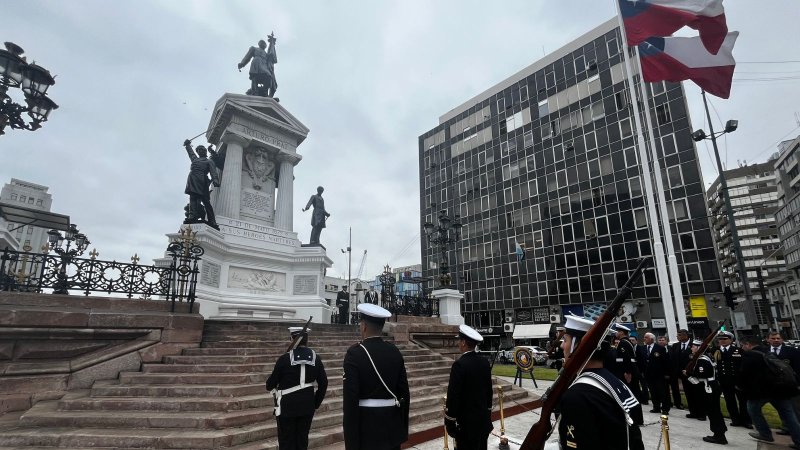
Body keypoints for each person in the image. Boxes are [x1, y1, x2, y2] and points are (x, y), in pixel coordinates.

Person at [558, 314, 645, 450]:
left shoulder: (577, 395)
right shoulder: (612, 381)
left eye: (565, 340)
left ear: (578, 346)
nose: (562, 346)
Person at [342, 304, 409, 450]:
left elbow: (350, 401)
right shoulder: (394, 352)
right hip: (392, 428)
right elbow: (404, 393)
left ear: (364, 326)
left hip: (366, 430)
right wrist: (402, 428)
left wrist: (351, 443)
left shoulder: (354, 354)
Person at [265, 327, 328, 450]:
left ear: (292, 340)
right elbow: (324, 383)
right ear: (306, 340)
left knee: (286, 441)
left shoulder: (284, 359)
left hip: (287, 406)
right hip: (307, 405)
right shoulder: (316, 358)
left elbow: (270, 385)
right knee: (302, 440)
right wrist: (315, 403)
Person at [737, 335, 800, 448]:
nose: (742, 348)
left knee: (753, 410)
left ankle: (765, 433)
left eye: (742, 345)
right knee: (788, 415)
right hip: (780, 390)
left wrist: (741, 387)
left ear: (748, 344)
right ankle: (798, 440)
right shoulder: (768, 352)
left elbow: (744, 375)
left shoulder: (750, 355)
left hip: (761, 392)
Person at [444, 324, 493, 450]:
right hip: (483, 422)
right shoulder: (484, 362)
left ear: (464, 343)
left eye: (459, 341)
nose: (458, 344)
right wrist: (487, 414)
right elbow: (489, 393)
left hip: (466, 426)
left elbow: (454, 396)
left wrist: (450, 422)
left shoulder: (459, 365)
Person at [684, 339, 727, 444]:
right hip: (711, 386)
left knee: (713, 411)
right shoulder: (705, 357)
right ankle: (718, 433)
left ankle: (719, 435)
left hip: (709, 387)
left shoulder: (702, 359)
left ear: (699, 348)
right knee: (714, 411)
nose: (691, 348)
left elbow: (703, 374)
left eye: (694, 346)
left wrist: (689, 374)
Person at [712, 331, 751, 428]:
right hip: (724, 381)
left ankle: (746, 420)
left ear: (731, 340)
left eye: (725, 339)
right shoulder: (714, 350)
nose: (722, 341)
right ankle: (735, 419)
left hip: (737, 380)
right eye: (720, 339)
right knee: (730, 401)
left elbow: (743, 365)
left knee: (743, 401)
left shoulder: (738, 350)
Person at [183, 139, 220, 230]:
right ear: (198, 152)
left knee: (206, 201)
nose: (201, 151)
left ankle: (212, 221)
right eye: (199, 150)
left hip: (202, 181)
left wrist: (215, 180)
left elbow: (213, 172)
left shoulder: (209, 161)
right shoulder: (195, 159)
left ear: (205, 151)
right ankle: (192, 216)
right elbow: (191, 153)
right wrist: (188, 145)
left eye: (203, 150)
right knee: (192, 198)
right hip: (192, 179)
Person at [609, 324, 645, 416]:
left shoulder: (623, 343)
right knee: (633, 393)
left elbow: (626, 358)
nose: (616, 333)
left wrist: (627, 372)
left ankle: (635, 417)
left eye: (617, 331)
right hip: (629, 371)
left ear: (621, 332)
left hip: (628, 373)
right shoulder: (626, 341)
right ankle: (636, 417)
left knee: (632, 394)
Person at [641, 332, 671, 415]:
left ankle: (665, 408)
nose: (644, 339)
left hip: (659, 374)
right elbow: (641, 362)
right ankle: (656, 407)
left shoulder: (660, 348)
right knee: (653, 392)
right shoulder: (642, 348)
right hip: (648, 374)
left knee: (663, 392)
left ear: (651, 339)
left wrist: (666, 373)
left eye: (646, 337)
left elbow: (666, 362)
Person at [669, 329, 692, 410]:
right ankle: (680, 404)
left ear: (685, 335)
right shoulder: (675, 346)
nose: (677, 337)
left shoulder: (693, 344)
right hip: (677, 372)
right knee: (680, 390)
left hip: (689, 372)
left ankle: (696, 409)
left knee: (691, 392)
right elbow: (672, 359)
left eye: (679, 335)